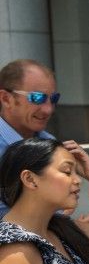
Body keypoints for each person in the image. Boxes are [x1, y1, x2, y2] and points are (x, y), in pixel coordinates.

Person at [0, 60, 60, 215]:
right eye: (37, 98)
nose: (48, 109)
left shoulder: (50, 142)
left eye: (53, 99)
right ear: (6, 99)